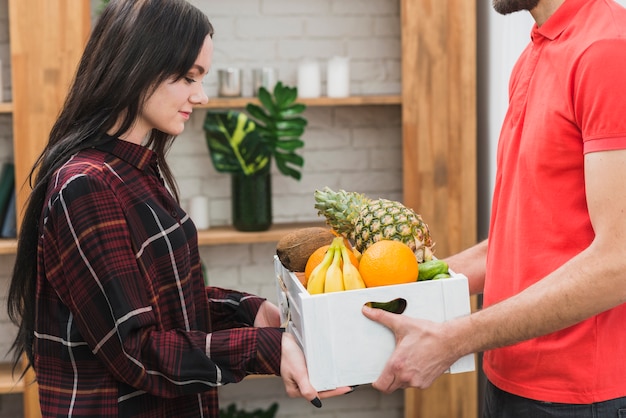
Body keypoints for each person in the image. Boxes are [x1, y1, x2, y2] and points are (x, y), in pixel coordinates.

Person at [6, 0, 348, 416]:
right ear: (137, 65)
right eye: (188, 77)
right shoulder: (87, 186)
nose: (200, 96)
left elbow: (160, 301)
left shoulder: (132, 171)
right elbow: (135, 349)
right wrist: (266, 349)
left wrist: (247, 310)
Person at [363, 0, 626, 416]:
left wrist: (456, 338)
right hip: (507, 377)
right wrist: (405, 288)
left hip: (579, 397)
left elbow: (619, 261)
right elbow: (515, 242)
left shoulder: (607, 51)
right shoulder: (534, 54)